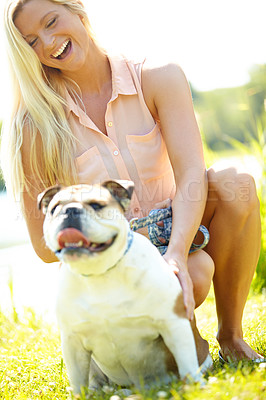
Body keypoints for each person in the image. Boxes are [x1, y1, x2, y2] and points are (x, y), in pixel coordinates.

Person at [2, 0, 264, 364]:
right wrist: (124, 243)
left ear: (78, 11)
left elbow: (191, 174)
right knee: (198, 271)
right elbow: (44, 248)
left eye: (51, 22)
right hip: (108, 256)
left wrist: (174, 251)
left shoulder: (157, 75)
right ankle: (169, 342)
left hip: (173, 226)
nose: (47, 43)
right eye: (31, 41)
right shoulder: (34, 124)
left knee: (236, 184)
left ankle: (230, 337)